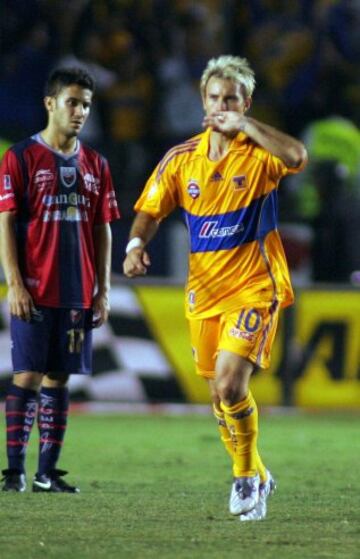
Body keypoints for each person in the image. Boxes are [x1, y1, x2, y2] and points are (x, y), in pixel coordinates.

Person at [123, 55, 307, 520]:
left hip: (254, 287)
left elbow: (298, 157)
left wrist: (248, 125)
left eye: (231, 99)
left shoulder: (260, 154)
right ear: (203, 102)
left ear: (245, 102)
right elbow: (151, 206)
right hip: (203, 293)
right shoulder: (182, 159)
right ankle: (258, 471)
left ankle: (245, 481)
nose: (221, 105)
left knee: (229, 385)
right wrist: (135, 244)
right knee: (217, 398)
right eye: (214, 98)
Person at [0, 67, 120, 492]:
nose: (81, 111)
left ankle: (46, 474)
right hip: (34, 287)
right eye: (72, 102)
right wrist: (14, 282)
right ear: (50, 103)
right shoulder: (19, 157)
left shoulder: (96, 165)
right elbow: (7, 221)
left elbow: (102, 228)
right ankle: (13, 471)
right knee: (28, 375)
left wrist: (102, 290)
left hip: (75, 290)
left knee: (60, 378)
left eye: (86, 104)